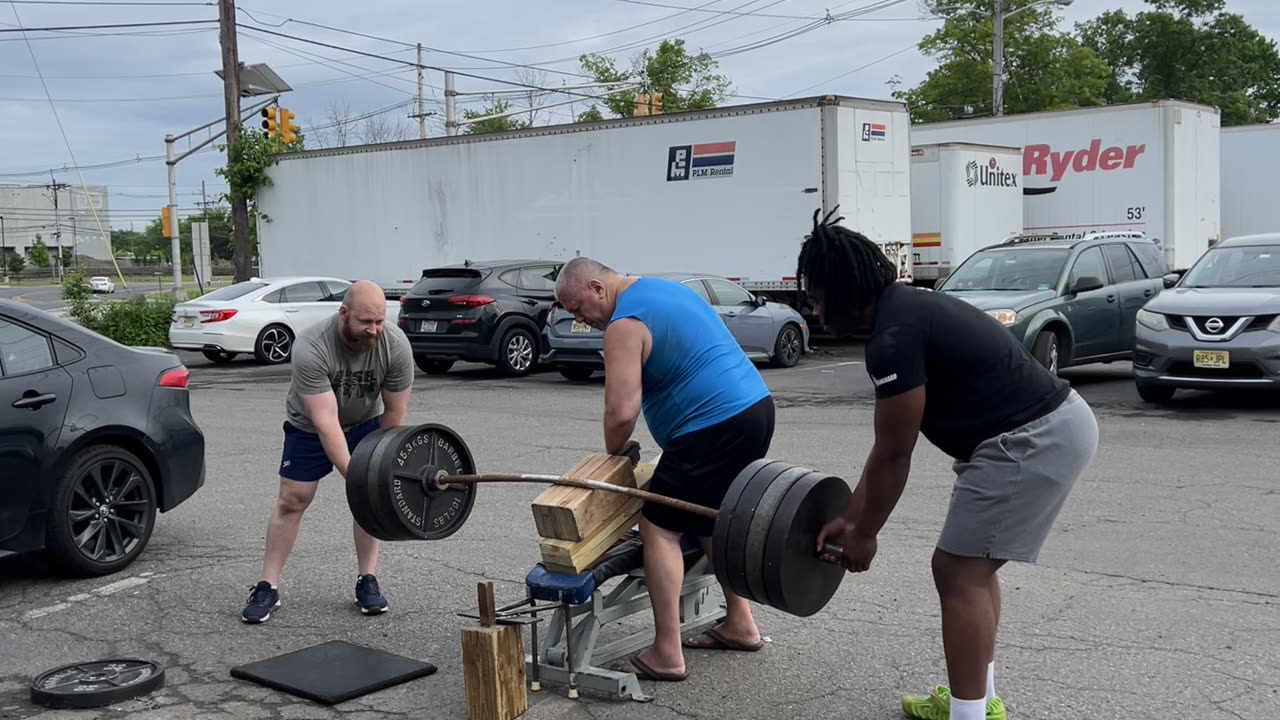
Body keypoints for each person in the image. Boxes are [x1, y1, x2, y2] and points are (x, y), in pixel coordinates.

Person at [799, 209, 1099, 720]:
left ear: (846, 289)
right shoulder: (905, 311)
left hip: (1031, 437)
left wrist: (865, 534)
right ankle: (979, 702)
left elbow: (896, 454)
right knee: (973, 569)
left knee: (958, 570)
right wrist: (851, 516)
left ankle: (970, 715)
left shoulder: (894, 336)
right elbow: (884, 450)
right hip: (1035, 431)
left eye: (819, 296)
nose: (814, 308)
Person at [553, 258, 777, 682]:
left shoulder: (624, 322)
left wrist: (616, 454)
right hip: (754, 409)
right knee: (709, 519)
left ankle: (666, 653)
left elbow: (621, 411)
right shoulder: (662, 290)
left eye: (578, 308)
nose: (579, 319)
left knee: (658, 527)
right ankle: (740, 622)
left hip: (711, 425)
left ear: (598, 288)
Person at [241, 280, 415, 624]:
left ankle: (367, 579)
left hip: (367, 421)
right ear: (343, 314)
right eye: (366, 322)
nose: (374, 330)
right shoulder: (311, 346)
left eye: (379, 321)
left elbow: (394, 413)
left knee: (370, 500)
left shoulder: (394, 345)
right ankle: (267, 585)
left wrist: (377, 471)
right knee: (294, 498)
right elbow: (325, 421)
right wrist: (358, 475)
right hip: (309, 426)